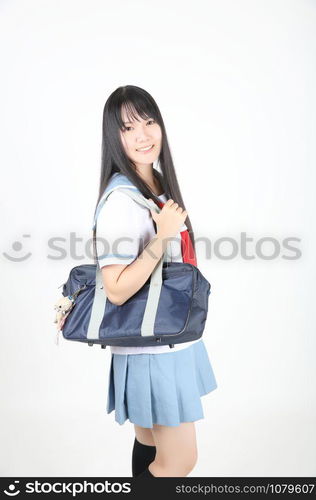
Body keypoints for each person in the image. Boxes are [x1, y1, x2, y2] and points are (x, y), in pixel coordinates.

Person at [93, 85, 218, 478]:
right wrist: (163, 235)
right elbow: (115, 288)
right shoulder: (121, 201)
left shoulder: (156, 185)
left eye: (149, 122)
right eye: (129, 128)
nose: (143, 135)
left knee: (150, 446)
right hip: (155, 351)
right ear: (114, 137)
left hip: (164, 341)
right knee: (180, 460)